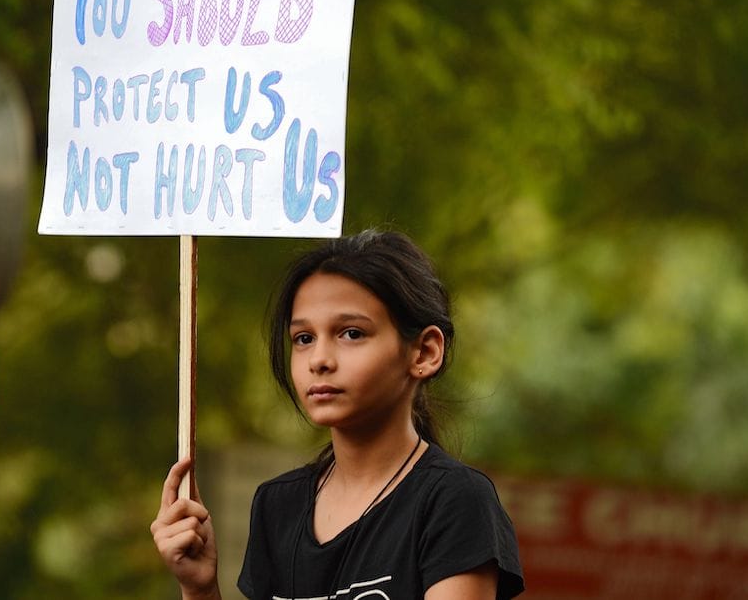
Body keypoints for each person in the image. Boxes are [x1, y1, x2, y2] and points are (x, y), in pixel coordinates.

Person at [152, 229, 524, 599]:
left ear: (424, 352)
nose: (320, 360)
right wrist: (199, 588)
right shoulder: (278, 505)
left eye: (351, 333)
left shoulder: (453, 501)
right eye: (304, 338)